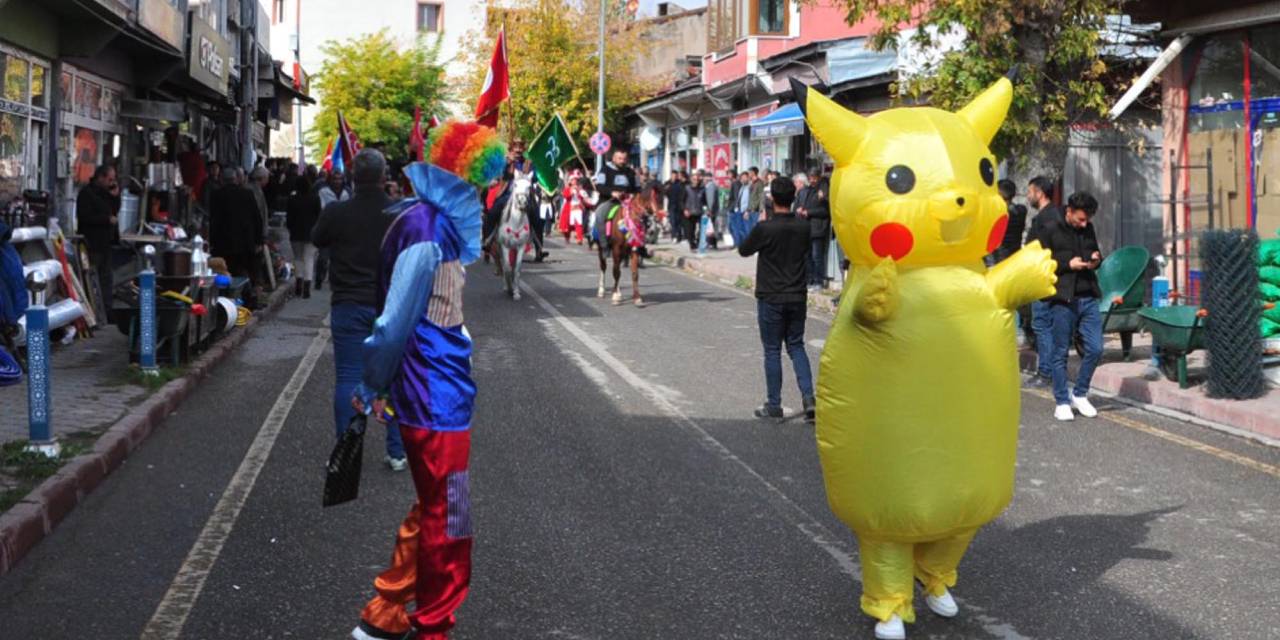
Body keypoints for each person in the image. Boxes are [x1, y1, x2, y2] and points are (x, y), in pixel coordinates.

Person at [348, 123, 502, 640]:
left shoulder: (428, 222)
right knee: (450, 515)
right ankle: (433, 624)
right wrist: (373, 384)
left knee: (433, 505)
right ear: (464, 177)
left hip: (440, 393)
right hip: (433, 398)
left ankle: (385, 611)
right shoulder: (427, 230)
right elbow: (393, 323)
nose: (481, 195)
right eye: (479, 183)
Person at [311, 150, 406, 471]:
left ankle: (346, 456)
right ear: (383, 178)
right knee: (392, 379)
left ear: (352, 175)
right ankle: (395, 452)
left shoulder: (337, 212)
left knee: (349, 378)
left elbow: (317, 238)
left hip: (349, 304)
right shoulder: (398, 214)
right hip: (390, 307)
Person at [737, 177, 815, 422]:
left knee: (772, 350)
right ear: (793, 198)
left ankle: (774, 404)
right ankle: (809, 398)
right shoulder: (804, 226)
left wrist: (760, 224)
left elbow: (744, 249)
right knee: (796, 345)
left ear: (772, 199)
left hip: (771, 295)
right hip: (797, 295)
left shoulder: (765, 228)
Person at [1044, 191, 1103, 422]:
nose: (1084, 223)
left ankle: (1079, 393)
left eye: (1087, 219)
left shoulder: (1088, 227)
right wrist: (1067, 264)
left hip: (1088, 295)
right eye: (1080, 219)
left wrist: (1096, 259)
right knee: (1060, 352)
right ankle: (1061, 401)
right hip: (1063, 299)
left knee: (1096, 348)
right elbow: (1040, 261)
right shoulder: (1050, 228)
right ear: (1069, 211)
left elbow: (1094, 251)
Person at [1024, 176, 1061, 387]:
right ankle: (1053, 370)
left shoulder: (1042, 220)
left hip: (1043, 278)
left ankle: (1045, 372)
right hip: (1058, 278)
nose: (1028, 196)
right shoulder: (1058, 215)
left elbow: (1034, 250)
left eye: (1030, 192)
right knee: (1053, 327)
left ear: (1039, 193)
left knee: (1042, 325)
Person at [76, 165, 120, 314]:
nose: (111, 183)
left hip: (106, 242)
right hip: (93, 242)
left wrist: (115, 196)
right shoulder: (86, 194)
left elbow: (115, 210)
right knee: (93, 278)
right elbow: (85, 217)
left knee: (106, 277)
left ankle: (107, 310)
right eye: (109, 179)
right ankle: (94, 310)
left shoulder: (106, 194)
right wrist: (106, 220)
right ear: (100, 177)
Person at [208, 168, 263, 286]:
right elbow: (257, 218)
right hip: (246, 240)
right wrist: (259, 241)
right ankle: (247, 294)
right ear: (236, 179)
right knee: (244, 268)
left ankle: (229, 293)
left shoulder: (217, 195)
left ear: (222, 180)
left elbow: (214, 219)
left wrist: (211, 240)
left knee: (225, 269)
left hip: (223, 240)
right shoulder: (247, 193)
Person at [287, 176, 322, 298]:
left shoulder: (292, 199)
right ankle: (307, 287)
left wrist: (290, 228)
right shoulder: (315, 199)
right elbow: (319, 216)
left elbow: (289, 218)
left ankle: (298, 283)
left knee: (298, 258)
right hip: (311, 234)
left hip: (296, 233)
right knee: (309, 259)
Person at [316, 169, 350, 290]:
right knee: (323, 258)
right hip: (327, 229)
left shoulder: (347, 192)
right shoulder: (323, 191)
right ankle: (319, 278)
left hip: (342, 230)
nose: (337, 181)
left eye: (340, 179)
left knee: (340, 258)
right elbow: (320, 209)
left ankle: (338, 281)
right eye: (335, 179)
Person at [802, 169, 831, 290]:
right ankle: (810, 279)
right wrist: (802, 210)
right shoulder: (810, 190)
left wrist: (808, 212)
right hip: (808, 227)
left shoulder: (823, 189)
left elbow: (825, 211)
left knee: (816, 256)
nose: (812, 180)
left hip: (818, 227)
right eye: (810, 177)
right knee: (808, 255)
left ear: (819, 177)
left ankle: (819, 281)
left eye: (814, 178)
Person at [683, 171, 706, 254]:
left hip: (700, 211)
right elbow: (682, 200)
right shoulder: (687, 188)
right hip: (690, 212)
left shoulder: (702, 189)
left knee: (701, 229)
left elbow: (705, 201)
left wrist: (706, 210)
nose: (695, 181)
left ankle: (698, 242)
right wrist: (685, 209)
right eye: (694, 179)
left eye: (697, 179)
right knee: (690, 230)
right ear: (691, 180)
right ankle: (692, 245)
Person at [665, 170, 686, 243]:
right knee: (672, 221)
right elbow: (664, 193)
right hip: (671, 205)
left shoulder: (680, 183)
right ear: (671, 176)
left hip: (679, 205)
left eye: (675, 176)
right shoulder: (667, 183)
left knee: (679, 222)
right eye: (673, 176)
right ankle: (674, 236)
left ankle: (679, 236)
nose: (674, 177)